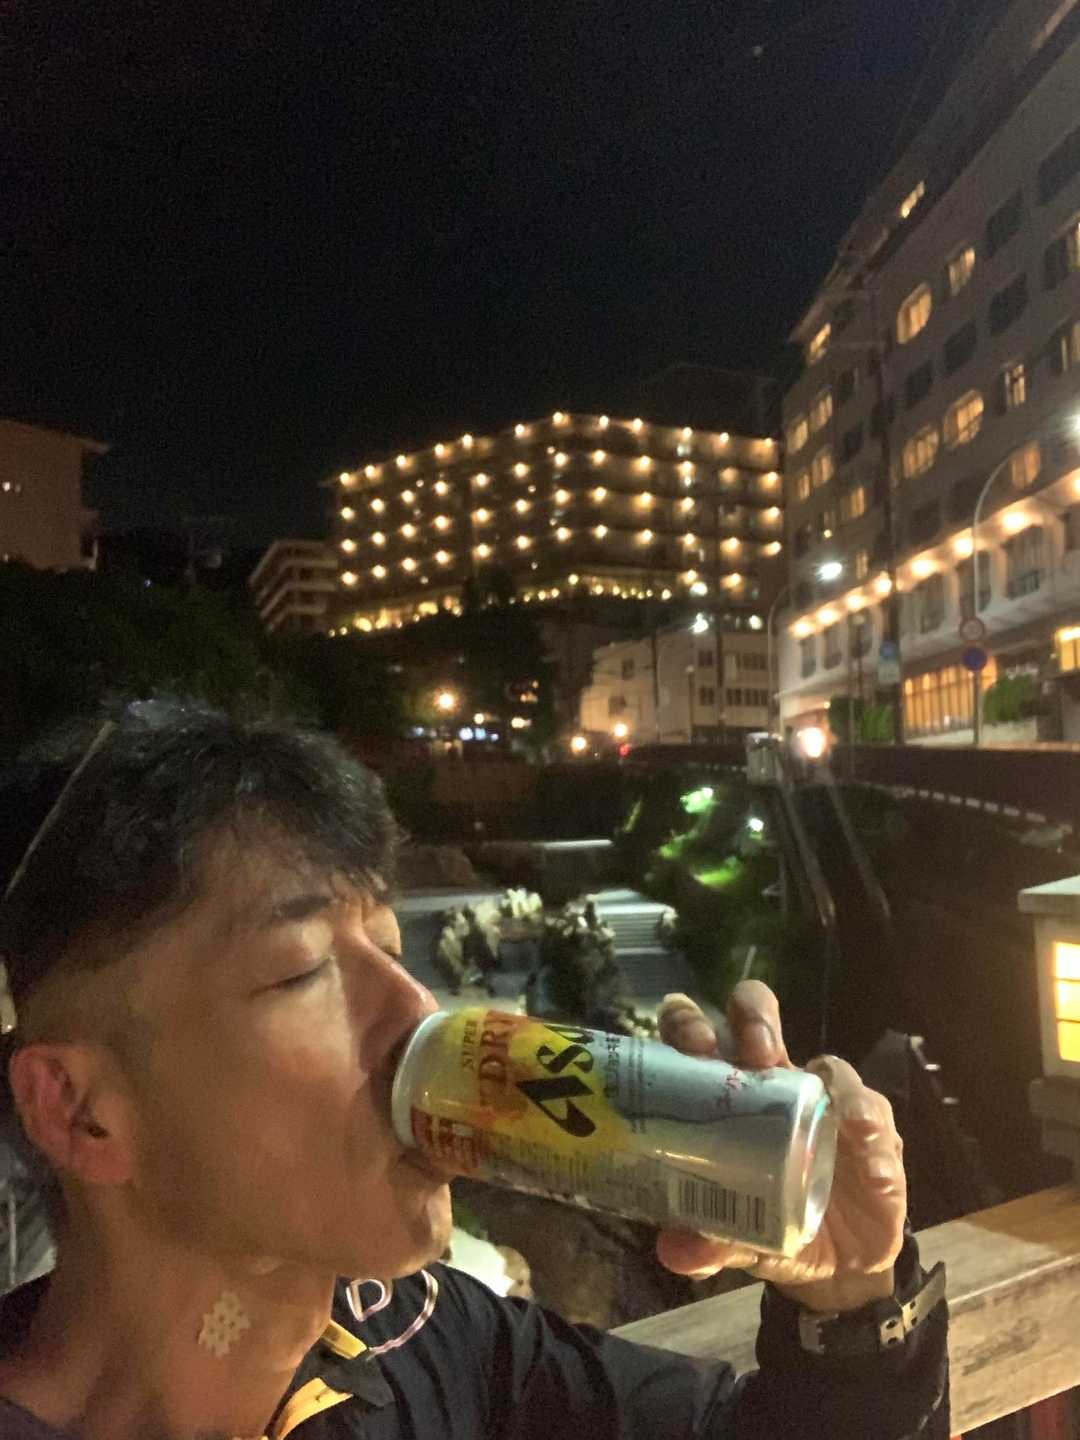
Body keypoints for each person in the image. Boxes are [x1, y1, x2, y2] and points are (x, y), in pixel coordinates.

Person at [0, 699, 948, 1439]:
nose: (419, 1009)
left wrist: (850, 1303)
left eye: (389, 947)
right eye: (301, 971)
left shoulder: (428, 1340)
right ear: (80, 1111)